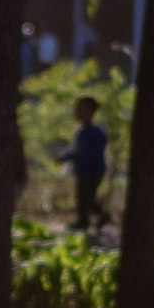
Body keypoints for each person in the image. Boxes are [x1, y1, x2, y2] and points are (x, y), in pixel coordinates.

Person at [60, 95, 108, 230]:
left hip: (93, 170)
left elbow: (85, 151)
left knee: (86, 197)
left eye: (81, 109)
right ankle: (99, 217)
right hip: (83, 170)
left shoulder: (95, 132)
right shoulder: (81, 131)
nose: (77, 112)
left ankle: (84, 221)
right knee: (86, 196)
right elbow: (77, 149)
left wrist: (72, 155)